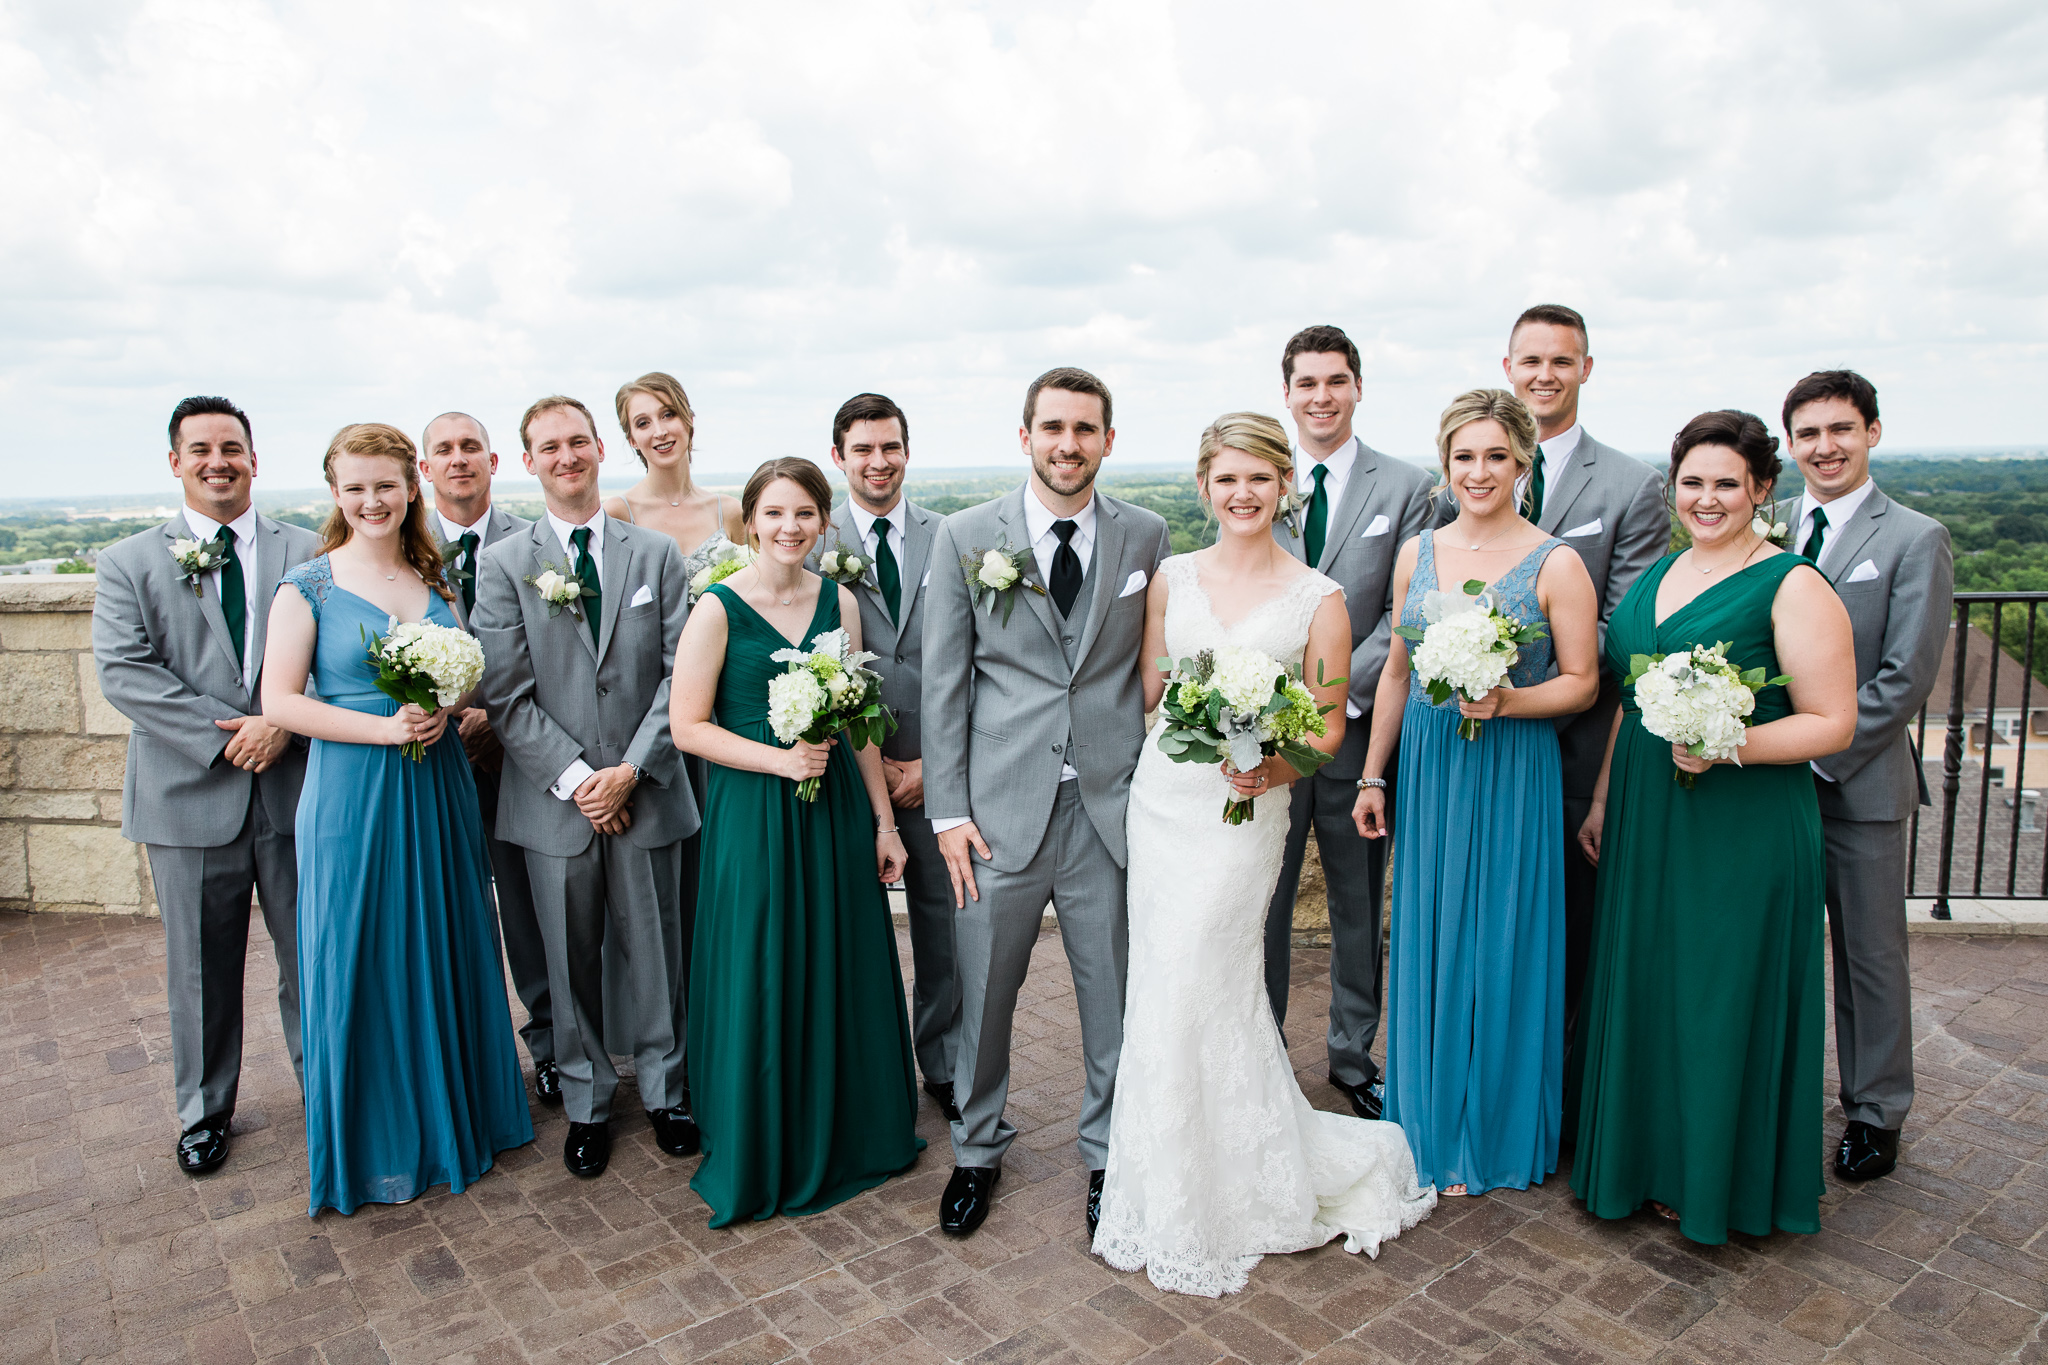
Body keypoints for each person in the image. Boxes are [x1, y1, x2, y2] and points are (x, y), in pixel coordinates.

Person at [1096, 412, 1435, 1297]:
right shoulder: (1172, 576)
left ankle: (1235, 1181)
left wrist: (1269, 764)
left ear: (1284, 485)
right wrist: (1199, 742)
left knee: (1211, 971)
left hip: (1249, 815)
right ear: (1204, 484)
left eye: (1259, 478)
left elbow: (1326, 726)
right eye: (1226, 478)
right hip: (1167, 805)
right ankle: (1164, 1181)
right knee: (1163, 980)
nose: (1242, 493)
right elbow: (1156, 693)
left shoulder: (1318, 596)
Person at [1572, 410, 1857, 1244]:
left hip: (1742, 823)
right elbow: (1634, 700)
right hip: (1646, 811)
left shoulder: (1791, 583)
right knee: (1656, 983)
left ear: (1763, 489)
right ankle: (1645, 1161)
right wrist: (1598, 800)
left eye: (1726, 482)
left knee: (1716, 994)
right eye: (1692, 482)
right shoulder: (1659, 573)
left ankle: (1714, 1180)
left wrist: (1728, 746)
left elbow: (1833, 721)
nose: (1706, 498)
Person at [922, 367, 1173, 1240]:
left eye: (1087, 429)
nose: (1070, 444)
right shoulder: (963, 536)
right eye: (1054, 427)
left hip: (1109, 805)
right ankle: (977, 1149)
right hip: (997, 813)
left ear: (1109, 439)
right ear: (1024, 435)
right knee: (986, 992)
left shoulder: (1146, 535)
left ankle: (1109, 1151)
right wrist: (949, 813)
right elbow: (946, 684)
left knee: (1114, 991)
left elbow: (1155, 664)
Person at [263, 422, 533, 1215]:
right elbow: (279, 701)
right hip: (353, 790)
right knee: (364, 948)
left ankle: (464, 1115)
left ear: (410, 485)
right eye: (355, 487)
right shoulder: (305, 586)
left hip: (437, 783)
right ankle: (378, 1138)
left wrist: (446, 704)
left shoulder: (437, 580)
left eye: (385, 484)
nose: (372, 500)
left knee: (447, 938)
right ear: (336, 493)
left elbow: (466, 677)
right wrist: (385, 727)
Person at [1355, 390, 1600, 1197]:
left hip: (1511, 767)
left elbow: (1583, 683)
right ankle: (1427, 1122)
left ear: (1523, 461)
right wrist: (1372, 774)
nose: (1480, 471)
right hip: (1430, 764)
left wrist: (1509, 701)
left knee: (1502, 936)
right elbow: (1395, 669)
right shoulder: (1417, 552)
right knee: (1429, 937)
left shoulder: (1556, 561)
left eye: (1497, 455)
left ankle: (1493, 1131)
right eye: (1465, 456)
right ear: (1447, 462)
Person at [671, 457, 925, 1225]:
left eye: (805, 514)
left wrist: (883, 822)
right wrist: (779, 760)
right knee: (763, 964)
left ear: (823, 522)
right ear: (751, 519)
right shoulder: (717, 609)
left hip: (835, 810)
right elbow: (688, 726)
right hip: (754, 812)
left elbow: (857, 725)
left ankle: (849, 1127)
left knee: (837, 959)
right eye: (775, 513)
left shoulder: (838, 601)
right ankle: (763, 1137)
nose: (790, 528)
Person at [92, 396, 322, 1176]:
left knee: (313, 955)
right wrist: (232, 737)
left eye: (232, 447)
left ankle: (325, 1093)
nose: (217, 461)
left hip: (296, 788)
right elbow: (127, 672)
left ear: (255, 459)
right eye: (201, 449)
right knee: (198, 966)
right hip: (188, 794)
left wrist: (282, 724)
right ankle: (204, 1111)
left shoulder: (310, 550)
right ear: (175, 462)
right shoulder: (129, 561)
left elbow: (335, 656)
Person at [472, 395, 699, 1179]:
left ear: (602, 448)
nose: (566, 456)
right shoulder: (504, 565)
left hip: (647, 787)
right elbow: (505, 695)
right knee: (567, 961)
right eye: (548, 447)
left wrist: (631, 769)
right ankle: (587, 1101)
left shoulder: (656, 555)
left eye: (577, 441)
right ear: (528, 461)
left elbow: (680, 674)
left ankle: (670, 1091)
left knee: (660, 950)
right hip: (554, 802)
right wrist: (580, 782)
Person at [1440, 306, 1667, 1056]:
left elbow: (1624, 622)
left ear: (1585, 370)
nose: (1544, 374)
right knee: (1469, 928)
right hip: (1467, 743)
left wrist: (1524, 682)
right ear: (1508, 368)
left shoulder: (1632, 485)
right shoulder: (1472, 465)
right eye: (1530, 360)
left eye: (1561, 361)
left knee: (1563, 928)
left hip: (1575, 742)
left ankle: (1559, 1097)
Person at [1774, 371, 1952, 1183]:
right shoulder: (1770, 527)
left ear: (1873, 431)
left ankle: (1876, 1112)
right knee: (1771, 945)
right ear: (1790, 445)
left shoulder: (1914, 537)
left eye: (1841, 429)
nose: (1825, 446)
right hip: (1770, 789)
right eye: (1808, 433)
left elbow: (1906, 675)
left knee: (1870, 957)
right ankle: (1774, 1098)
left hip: (1861, 785)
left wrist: (1819, 744)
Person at [1262, 325, 1435, 1122]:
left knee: (1359, 903)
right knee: (1259, 892)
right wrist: (1271, 703)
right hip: (1261, 736)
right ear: (1288, 392)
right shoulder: (1260, 477)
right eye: (1307, 382)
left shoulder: (1405, 487)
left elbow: (1406, 615)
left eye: (1336, 380)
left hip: (1361, 730)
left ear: (1358, 387)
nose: (1322, 396)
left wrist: (1327, 695)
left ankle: (1351, 1053)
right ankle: (1259, 1048)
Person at [814, 393, 962, 1122]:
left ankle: (946, 1066)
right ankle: (860, 1076)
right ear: (837, 456)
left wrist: (935, 761)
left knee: (946, 929)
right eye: (863, 449)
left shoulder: (955, 535)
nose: (879, 461)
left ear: (908, 451)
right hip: (843, 774)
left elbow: (981, 659)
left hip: (939, 771)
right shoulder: (808, 538)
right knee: (844, 930)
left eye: (890, 447)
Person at [419, 411, 557, 1108]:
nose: (458, 459)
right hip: (429, 762)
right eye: (443, 449)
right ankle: (469, 1058)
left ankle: (554, 1043)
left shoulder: (536, 546)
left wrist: (497, 723)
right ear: (426, 468)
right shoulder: (400, 547)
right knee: (445, 912)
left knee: (531, 911)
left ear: (495, 460)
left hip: (515, 757)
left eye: (470, 446)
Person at [601, 371, 746, 582]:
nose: (659, 431)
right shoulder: (617, 514)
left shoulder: (730, 512)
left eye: (668, 414)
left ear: (689, 420)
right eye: (643, 423)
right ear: (632, 439)